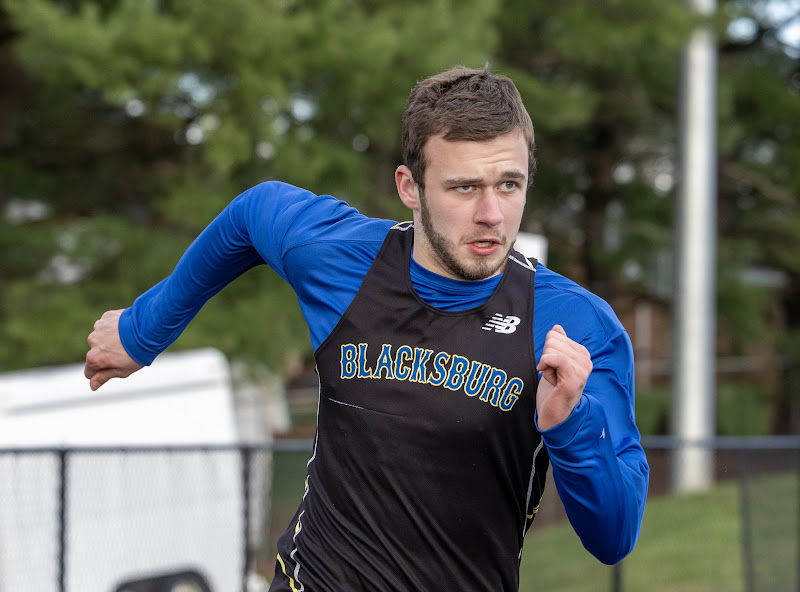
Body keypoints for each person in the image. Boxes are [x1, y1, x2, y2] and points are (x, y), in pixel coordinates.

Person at [85, 65, 649, 591]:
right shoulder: (343, 258)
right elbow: (254, 214)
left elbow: (613, 537)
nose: (491, 215)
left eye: (509, 184)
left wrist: (574, 425)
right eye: (463, 188)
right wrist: (142, 331)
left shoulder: (572, 325)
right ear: (410, 187)